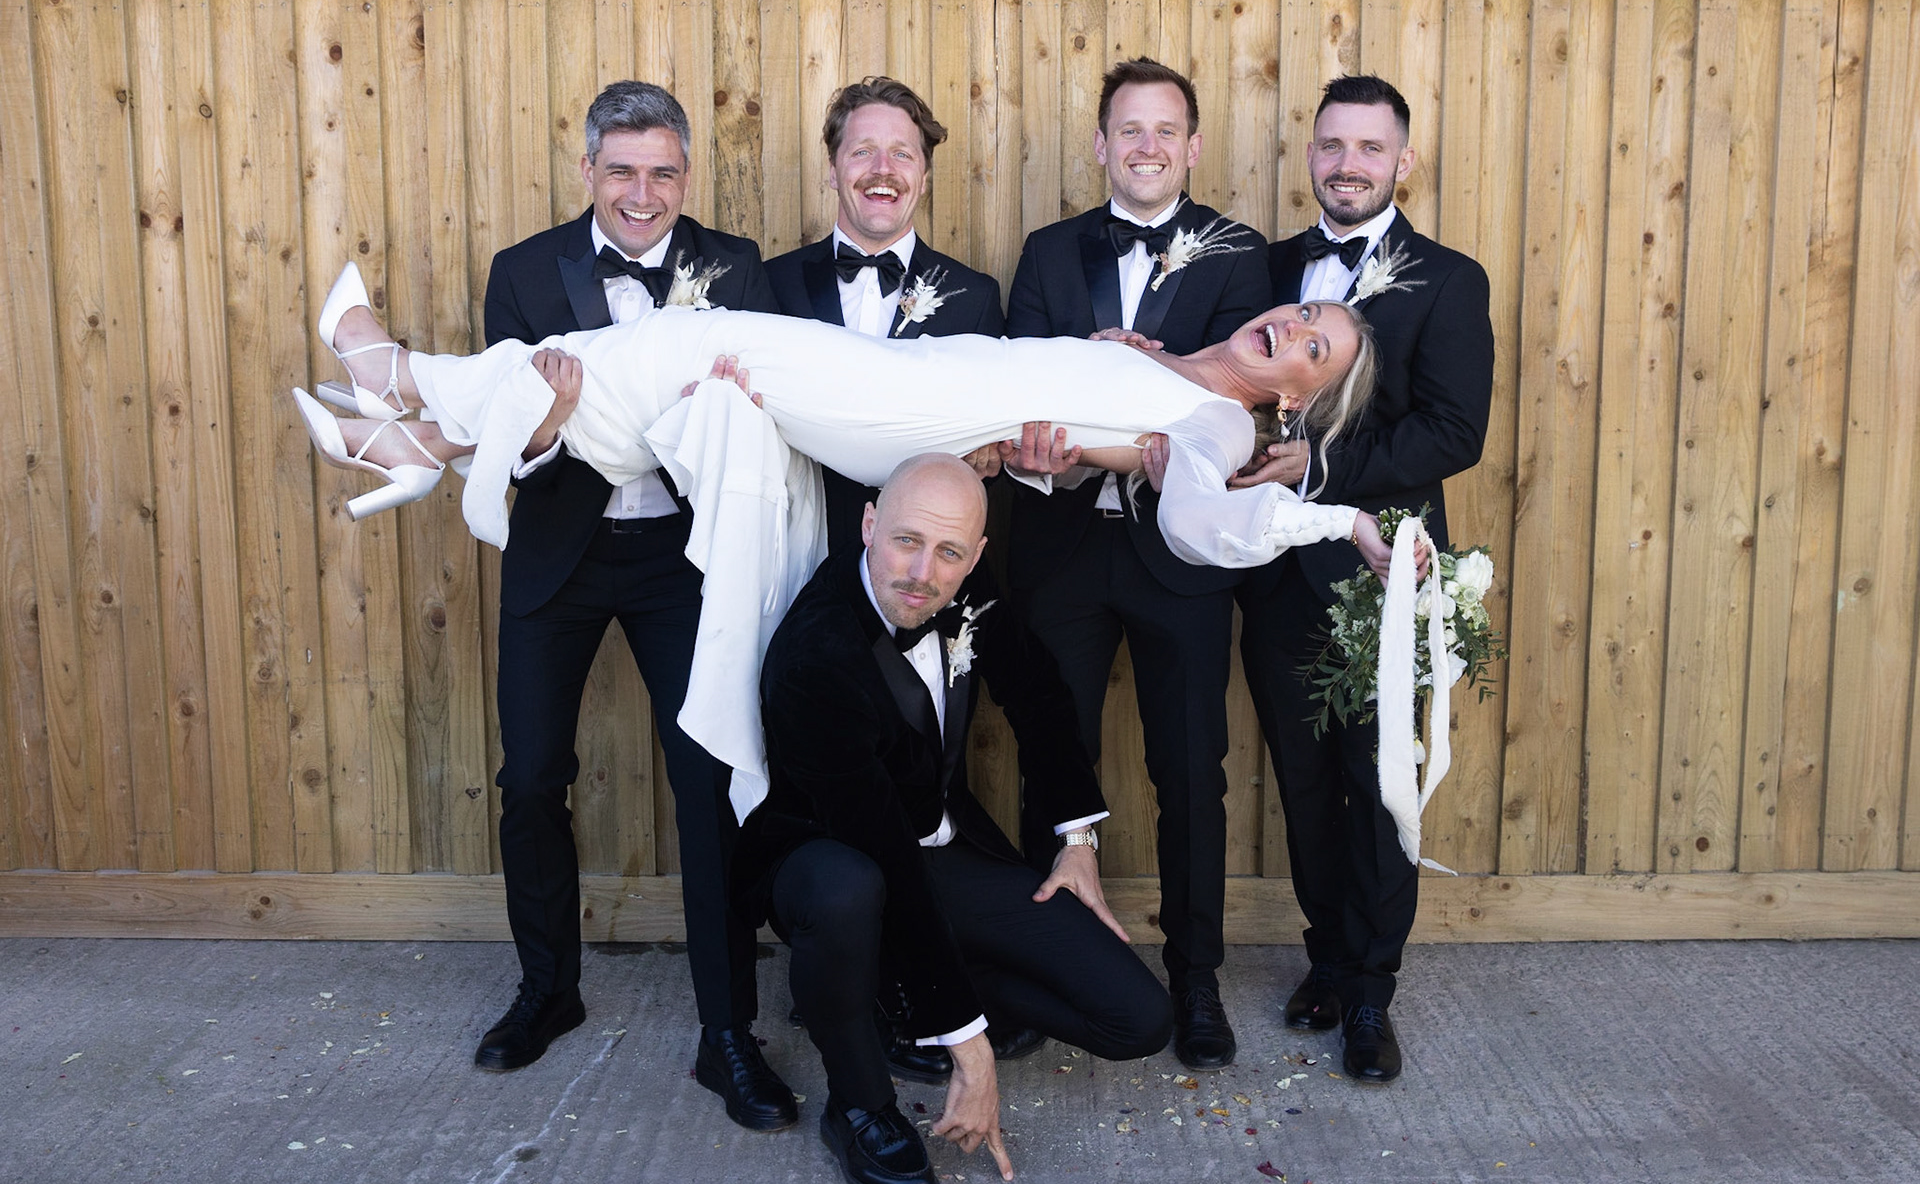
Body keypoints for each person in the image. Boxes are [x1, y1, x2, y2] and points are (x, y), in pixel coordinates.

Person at [291, 263, 1392, 835]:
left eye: (1315, 348)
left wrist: (1335, 521)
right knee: (663, 379)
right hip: (920, 384)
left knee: (691, 340)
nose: (1293, 327)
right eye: (1304, 313)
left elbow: (1205, 527)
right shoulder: (1161, 362)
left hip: (906, 415)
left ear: (1302, 395)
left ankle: (405, 382)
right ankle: (420, 435)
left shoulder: (1220, 426)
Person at [452, 79, 796, 1133]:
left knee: (710, 783)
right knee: (530, 780)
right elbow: (503, 443)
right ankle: (548, 988)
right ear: (588, 171)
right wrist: (550, 420)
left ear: (686, 176)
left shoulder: (736, 267)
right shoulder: (521, 273)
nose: (642, 194)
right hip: (561, 553)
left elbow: (767, 422)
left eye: (663, 173)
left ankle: (725, 1032)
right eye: (621, 172)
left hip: (682, 561)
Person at [732, 451, 1171, 1184]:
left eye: (949, 553)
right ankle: (860, 1105)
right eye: (905, 540)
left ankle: (902, 984)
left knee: (1138, 1017)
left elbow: (1035, 689)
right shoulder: (819, 653)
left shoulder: (958, 588)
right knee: (850, 889)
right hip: (825, 857)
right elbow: (879, 850)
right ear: (869, 524)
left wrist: (1077, 837)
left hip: (934, 851)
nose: (922, 573)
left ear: (976, 556)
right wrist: (970, 1045)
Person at [1001, 56, 1271, 1071]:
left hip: (1184, 555)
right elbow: (1020, 378)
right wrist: (1055, 431)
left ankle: (1194, 981)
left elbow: (1241, 396)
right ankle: (1048, 975)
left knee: (1190, 773)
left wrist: (1148, 375)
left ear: (1192, 148)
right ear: (1102, 144)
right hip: (1063, 543)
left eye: (1167, 131)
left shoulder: (1240, 258)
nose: (1148, 146)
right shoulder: (1048, 250)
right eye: (1130, 129)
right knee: (1049, 765)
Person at [1236, 74, 1494, 1085]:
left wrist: (1321, 469)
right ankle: (1327, 963)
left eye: (1370, 149)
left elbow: (1451, 432)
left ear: (1404, 162)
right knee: (1303, 785)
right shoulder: (1265, 266)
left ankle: (1373, 992)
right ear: (1311, 152)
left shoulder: (1448, 279)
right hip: (1272, 572)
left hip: (1386, 579)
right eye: (1332, 146)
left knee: (1379, 790)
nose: (1348, 165)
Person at [764, 76, 1008, 556]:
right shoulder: (771, 283)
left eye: (902, 154)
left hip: (919, 567)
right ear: (833, 169)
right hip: (793, 550)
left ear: (924, 175)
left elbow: (989, 454)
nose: (883, 170)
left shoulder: (974, 298)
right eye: (861, 152)